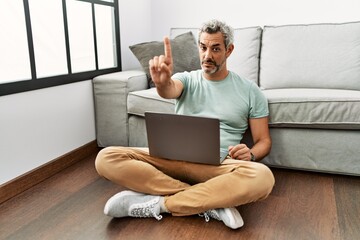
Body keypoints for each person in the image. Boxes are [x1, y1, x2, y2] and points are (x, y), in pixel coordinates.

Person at [95, 19, 275, 229]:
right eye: (203, 47)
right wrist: (162, 82)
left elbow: (263, 141)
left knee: (263, 177)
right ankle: (210, 201)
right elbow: (169, 89)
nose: (207, 56)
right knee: (106, 157)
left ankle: (161, 204)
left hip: (217, 165)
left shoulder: (250, 91)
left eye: (216, 49)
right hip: (170, 160)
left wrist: (251, 154)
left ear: (229, 50)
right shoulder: (187, 79)